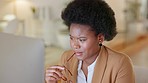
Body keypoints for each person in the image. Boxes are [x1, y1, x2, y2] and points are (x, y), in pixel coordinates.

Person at [45, 0, 135, 83]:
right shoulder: (67, 58)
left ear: (100, 38)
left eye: (82, 40)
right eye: (72, 38)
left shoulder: (120, 63)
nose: (75, 45)